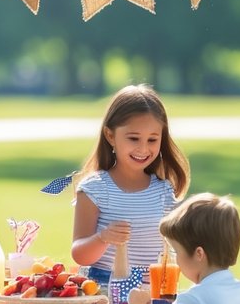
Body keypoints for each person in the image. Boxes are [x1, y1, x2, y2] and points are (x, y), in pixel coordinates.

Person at [71, 84, 190, 291]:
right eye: (134, 138)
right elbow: (80, 254)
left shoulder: (163, 192)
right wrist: (103, 238)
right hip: (104, 293)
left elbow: (181, 247)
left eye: (152, 139)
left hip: (154, 293)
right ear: (110, 136)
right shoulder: (95, 189)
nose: (143, 148)